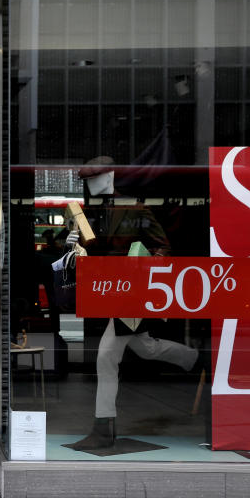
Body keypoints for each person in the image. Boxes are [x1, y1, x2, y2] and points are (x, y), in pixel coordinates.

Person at [67, 156, 199, 451]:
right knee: (145, 347)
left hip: (131, 294)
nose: (90, 185)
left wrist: (143, 268)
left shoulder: (135, 209)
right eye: (87, 181)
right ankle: (195, 359)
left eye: (94, 178)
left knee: (106, 356)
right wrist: (77, 243)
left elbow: (163, 248)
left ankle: (103, 428)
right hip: (109, 292)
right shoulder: (92, 213)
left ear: (110, 176)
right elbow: (94, 251)